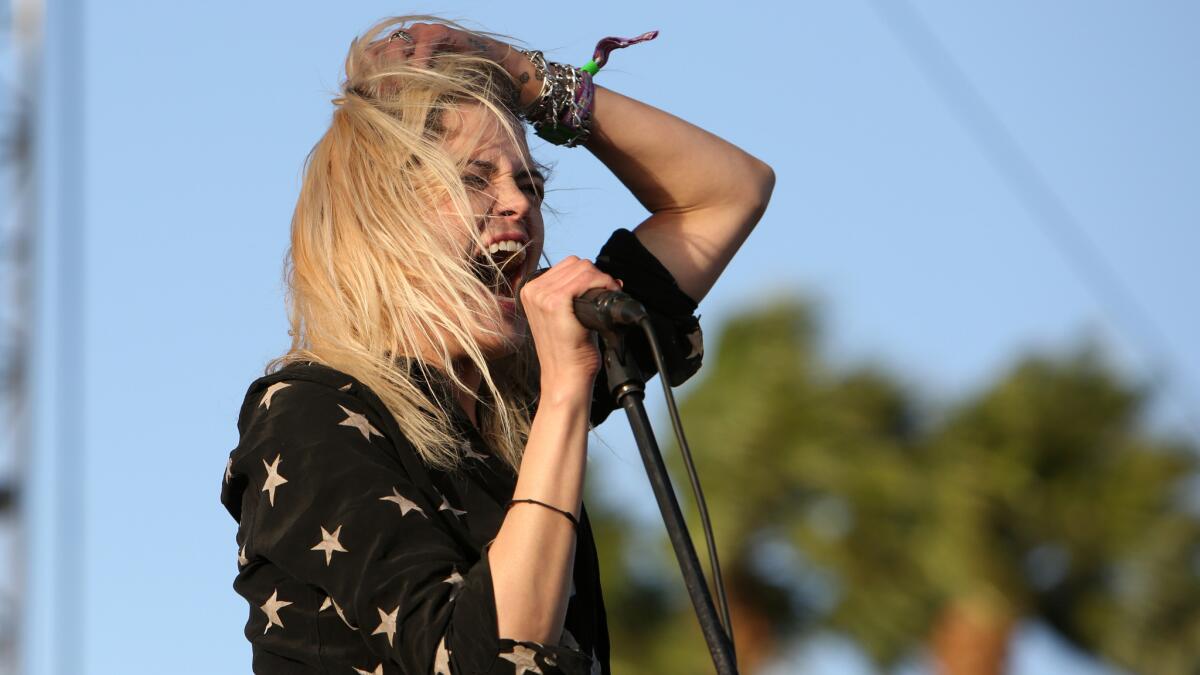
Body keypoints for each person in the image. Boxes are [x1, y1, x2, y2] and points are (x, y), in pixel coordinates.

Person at [220, 16, 773, 675]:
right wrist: (568, 390)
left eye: (529, 183)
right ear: (383, 216)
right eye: (475, 179)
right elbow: (489, 660)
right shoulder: (310, 412)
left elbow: (724, 194)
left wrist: (524, 75)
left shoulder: (517, 389)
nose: (519, 204)